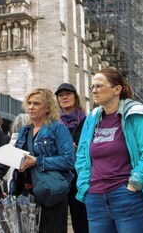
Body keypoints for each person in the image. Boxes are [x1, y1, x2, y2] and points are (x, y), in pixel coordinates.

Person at [75, 68, 143, 232]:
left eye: (99, 86)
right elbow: (82, 155)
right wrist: (85, 186)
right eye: (92, 86)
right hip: (96, 198)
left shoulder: (137, 113)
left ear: (117, 89)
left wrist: (134, 184)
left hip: (127, 196)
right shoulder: (93, 117)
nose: (94, 90)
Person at [11, 88, 75, 233]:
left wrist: (37, 161)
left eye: (36, 104)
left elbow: (69, 160)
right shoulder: (24, 130)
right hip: (25, 194)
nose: (31, 107)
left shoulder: (57, 128)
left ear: (47, 107)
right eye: (29, 103)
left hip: (50, 194)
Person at [56, 82, 89, 233]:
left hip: (80, 178)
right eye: (61, 95)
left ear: (75, 97)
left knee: (81, 222)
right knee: (57, 223)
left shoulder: (86, 121)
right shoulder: (55, 124)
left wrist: (79, 150)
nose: (64, 97)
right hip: (61, 177)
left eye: (67, 94)